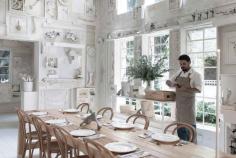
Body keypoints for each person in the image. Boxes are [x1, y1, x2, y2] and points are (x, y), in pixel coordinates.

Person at [166, 54, 202, 141]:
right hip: (179, 104)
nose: (182, 66)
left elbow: (198, 90)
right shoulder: (179, 73)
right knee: (180, 130)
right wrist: (170, 83)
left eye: (184, 64)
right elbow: (169, 82)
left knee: (190, 131)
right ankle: (182, 148)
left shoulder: (196, 75)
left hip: (188, 106)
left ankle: (192, 150)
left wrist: (186, 88)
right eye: (181, 64)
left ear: (189, 62)